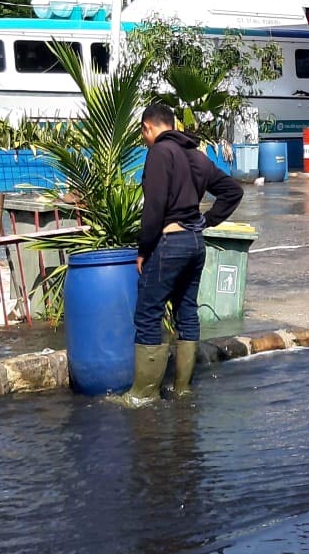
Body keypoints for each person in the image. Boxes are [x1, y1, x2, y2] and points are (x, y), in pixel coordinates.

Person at [116, 103, 243, 407]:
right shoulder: (196, 156)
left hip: (170, 243)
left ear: (148, 127)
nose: (145, 140)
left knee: (148, 313)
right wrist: (205, 221)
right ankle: (182, 388)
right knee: (186, 311)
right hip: (195, 244)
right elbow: (232, 191)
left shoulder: (160, 153)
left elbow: (154, 207)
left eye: (143, 134)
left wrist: (144, 249)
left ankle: (142, 395)